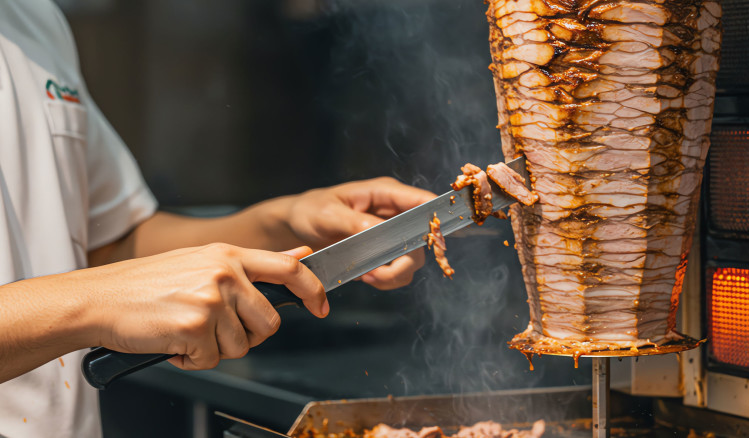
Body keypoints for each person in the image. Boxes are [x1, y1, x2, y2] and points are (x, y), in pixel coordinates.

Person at [0, 1, 435, 437]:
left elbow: (110, 245)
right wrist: (95, 302)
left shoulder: (31, 18)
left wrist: (284, 223)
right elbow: (107, 288)